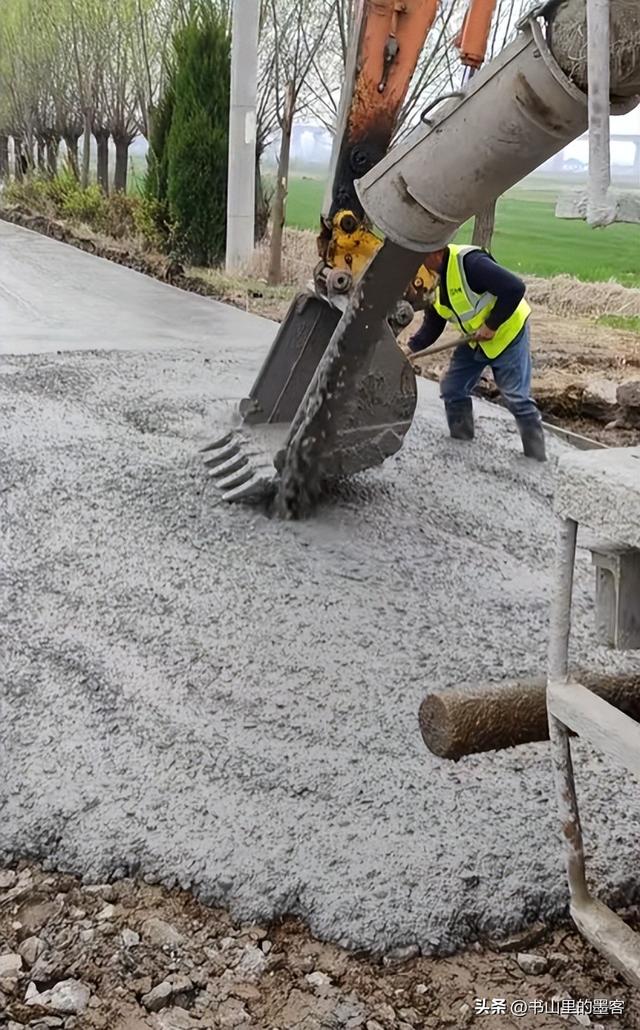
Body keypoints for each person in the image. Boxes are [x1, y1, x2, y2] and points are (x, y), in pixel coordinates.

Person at [407, 243, 546, 461]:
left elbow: (515, 288)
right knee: (453, 388)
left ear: (435, 252)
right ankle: (462, 444)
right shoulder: (433, 278)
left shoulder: (470, 263)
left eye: (422, 258)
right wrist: (410, 349)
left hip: (507, 333)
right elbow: (434, 324)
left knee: (516, 397)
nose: (419, 265)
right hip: (475, 338)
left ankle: (536, 457)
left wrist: (492, 324)